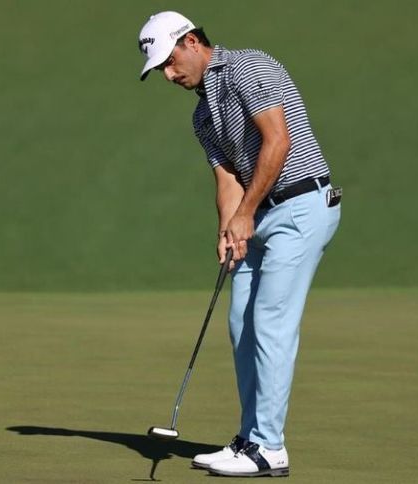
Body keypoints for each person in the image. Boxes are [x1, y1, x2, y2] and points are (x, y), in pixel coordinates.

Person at [137, 11, 341, 478]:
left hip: (301, 205)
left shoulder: (249, 66)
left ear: (191, 42)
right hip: (259, 213)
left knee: (270, 322)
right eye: (161, 69)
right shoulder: (202, 115)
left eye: (169, 62)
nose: (168, 75)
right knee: (241, 324)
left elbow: (278, 142)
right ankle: (250, 439)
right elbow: (228, 178)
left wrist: (246, 213)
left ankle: (270, 448)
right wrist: (228, 228)